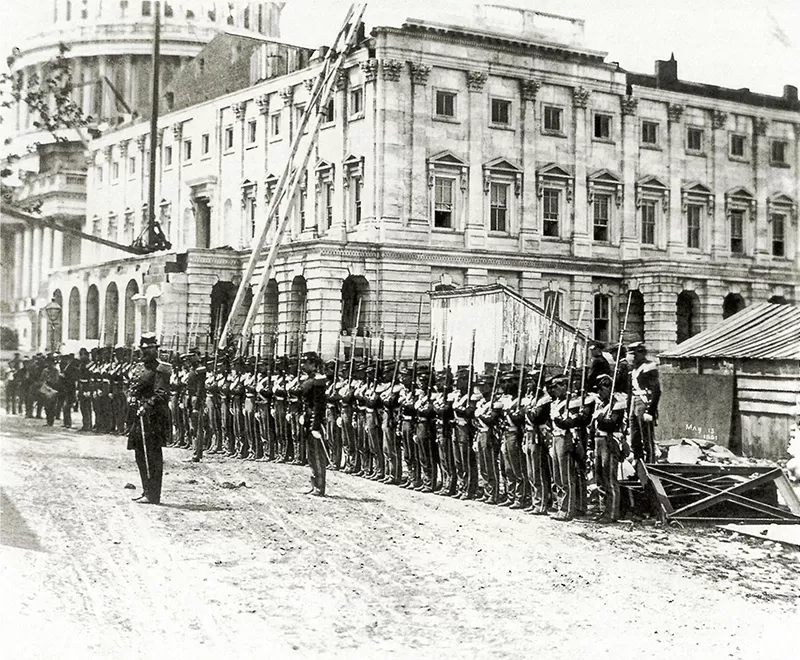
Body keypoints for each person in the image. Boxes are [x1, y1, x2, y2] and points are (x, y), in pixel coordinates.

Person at [127, 333, 171, 505]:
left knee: (152, 455)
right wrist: (131, 398)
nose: (145, 352)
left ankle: (154, 494)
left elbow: (162, 393)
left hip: (153, 418)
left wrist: (145, 406)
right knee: (140, 454)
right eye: (143, 349)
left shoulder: (162, 368)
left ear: (155, 349)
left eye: (149, 349)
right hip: (139, 418)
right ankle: (146, 490)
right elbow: (134, 387)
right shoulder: (139, 367)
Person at [590, 374, 628, 523]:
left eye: (603, 389)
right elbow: (593, 427)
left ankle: (612, 513)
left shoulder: (617, 405)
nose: (600, 392)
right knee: (599, 478)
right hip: (598, 440)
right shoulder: (599, 404)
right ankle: (602, 510)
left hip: (609, 440)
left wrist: (599, 418)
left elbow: (611, 424)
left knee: (610, 478)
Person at [627, 342, 661, 463]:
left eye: (635, 354)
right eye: (632, 354)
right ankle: (639, 467)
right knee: (634, 439)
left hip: (644, 402)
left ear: (642, 353)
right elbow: (631, 392)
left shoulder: (649, 367)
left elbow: (656, 391)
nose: (633, 357)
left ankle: (650, 466)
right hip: (634, 403)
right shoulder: (634, 369)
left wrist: (650, 411)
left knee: (647, 438)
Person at [300, 351, 328, 496]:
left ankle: (320, 487)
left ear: (313, 364)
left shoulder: (319, 380)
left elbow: (319, 405)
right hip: (308, 418)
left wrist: (315, 426)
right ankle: (314, 483)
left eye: (306, 363)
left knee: (317, 455)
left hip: (315, 421)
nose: (303, 365)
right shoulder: (310, 378)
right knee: (311, 454)